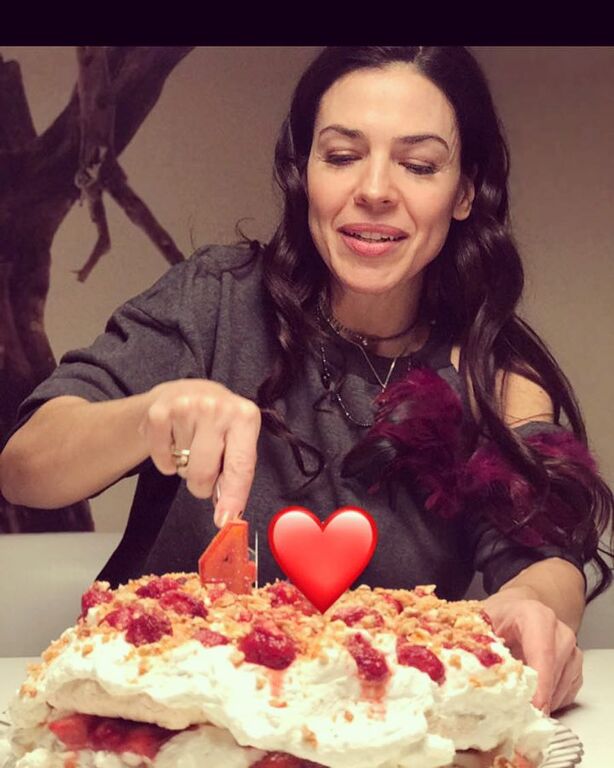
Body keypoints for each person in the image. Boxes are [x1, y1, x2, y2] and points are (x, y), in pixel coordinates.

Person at [1, 46, 612, 717]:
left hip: (367, 734)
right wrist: (148, 417)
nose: (375, 190)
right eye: (342, 155)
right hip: (154, 723)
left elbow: (542, 558)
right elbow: (24, 467)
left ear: (465, 191)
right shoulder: (215, 300)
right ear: (304, 172)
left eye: (418, 165)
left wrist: (534, 603)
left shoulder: (493, 374)